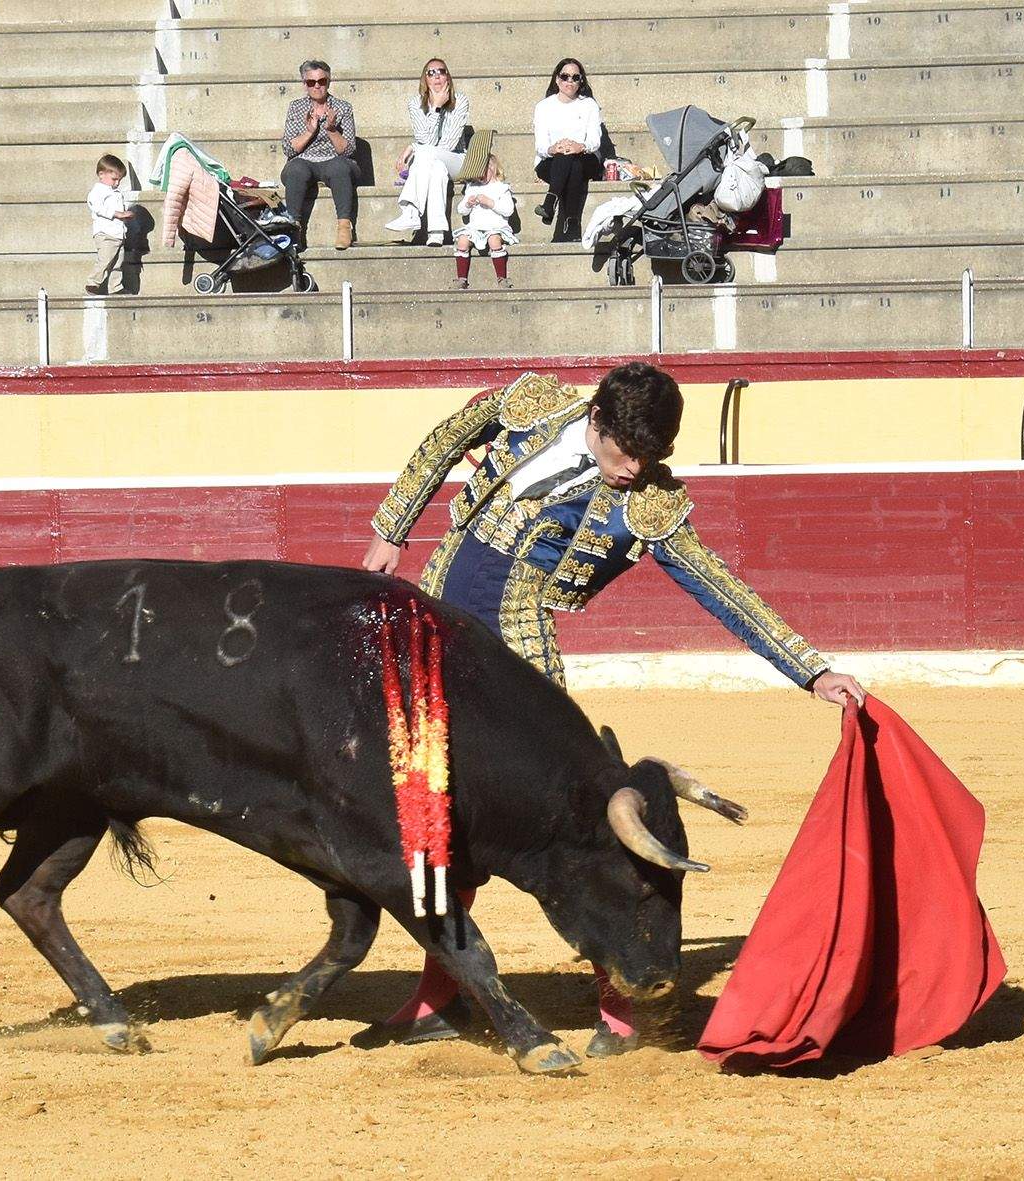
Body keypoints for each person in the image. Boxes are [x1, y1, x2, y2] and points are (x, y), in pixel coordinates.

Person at [361, 363, 866, 1056]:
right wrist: (393, 526)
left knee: (574, 829)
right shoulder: (531, 407)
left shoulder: (646, 504)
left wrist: (809, 668)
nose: (633, 470)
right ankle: (442, 993)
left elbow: (720, 585)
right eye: (624, 453)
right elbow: (445, 439)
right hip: (437, 636)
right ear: (595, 420)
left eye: (648, 456)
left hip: (518, 665)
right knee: (434, 817)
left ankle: (620, 1005)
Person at [385, 58, 471, 247]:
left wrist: (414, 147)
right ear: (425, 79)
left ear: (448, 76)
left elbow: (448, 144)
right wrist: (434, 108)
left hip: (456, 160)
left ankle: (410, 211)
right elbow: (428, 141)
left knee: (425, 155)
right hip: (434, 162)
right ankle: (436, 232)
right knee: (436, 168)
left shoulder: (460, 101)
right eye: (430, 72)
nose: (436, 76)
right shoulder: (415, 104)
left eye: (441, 71)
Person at [279, 59, 358, 250]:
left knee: (339, 167)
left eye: (322, 81)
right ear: (304, 83)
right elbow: (289, 149)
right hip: (305, 161)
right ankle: (294, 229)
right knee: (296, 169)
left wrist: (331, 130)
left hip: (335, 160)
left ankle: (344, 227)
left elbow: (348, 150)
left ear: (329, 82)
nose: (317, 86)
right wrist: (310, 131)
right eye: (311, 82)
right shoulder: (296, 108)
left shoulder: (343, 107)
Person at [532, 58, 603, 243]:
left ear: (581, 81)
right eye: (565, 76)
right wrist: (554, 148)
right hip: (551, 161)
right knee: (568, 162)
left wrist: (580, 147)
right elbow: (540, 145)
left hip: (586, 157)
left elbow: (595, 140)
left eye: (575, 77)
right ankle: (572, 225)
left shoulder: (589, 105)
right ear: (557, 79)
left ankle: (550, 202)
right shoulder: (543, 107)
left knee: (574, 161)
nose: (569, 81)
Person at [452, 154, 516, 289]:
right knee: (462, 241)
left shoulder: (501, 188)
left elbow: (508, 210)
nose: (479, 177)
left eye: (482, 172)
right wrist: (468, 204)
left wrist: (490, 202)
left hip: (496, 227)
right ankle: (461, 278)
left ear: (492, 168)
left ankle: (502, 277)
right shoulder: (472, 188)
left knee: (494, 240)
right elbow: (461, 210)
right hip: (475, 228)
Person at [84, 154, 134, 296]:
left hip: (118, 234)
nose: (117, 183)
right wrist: (117, 214)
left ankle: (116, 287)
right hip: (105, 234)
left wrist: (125, 217)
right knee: (105, 259)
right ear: (101, 174)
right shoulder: (98, 191)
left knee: (118, 263)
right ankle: (93, 283)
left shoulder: (115, 192)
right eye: (114, 179)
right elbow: (96, 207)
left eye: (119, 180)